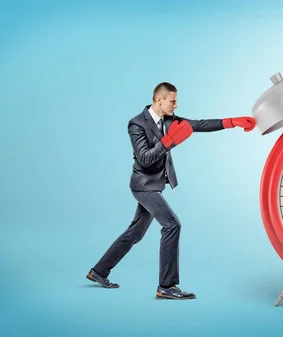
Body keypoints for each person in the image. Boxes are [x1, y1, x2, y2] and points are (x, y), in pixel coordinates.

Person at [86, 82, 256, 300]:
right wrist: (170, 141)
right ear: (159, 100)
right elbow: (145, 158)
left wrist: (231, 122)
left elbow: (198, 124)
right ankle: (167, 286)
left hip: (155, 186)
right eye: (172, 101)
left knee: (135, 233)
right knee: (172, 225)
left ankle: (98, 271)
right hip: (143, 186)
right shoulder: (136, 124)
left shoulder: (169, 120)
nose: (176, 105)